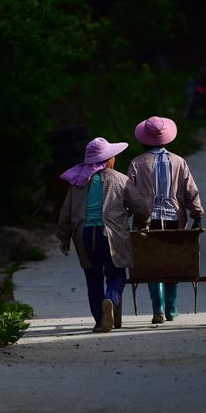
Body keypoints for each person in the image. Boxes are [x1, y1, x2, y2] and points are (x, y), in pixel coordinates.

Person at [126, 116, 204, 324]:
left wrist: (127, 213)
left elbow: (130, 194)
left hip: (147, 220)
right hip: (174, 220)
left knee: (152, 262)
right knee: (172, 260)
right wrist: (197, 213)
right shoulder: (179, 162)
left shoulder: (137, 164)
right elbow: (190, 191)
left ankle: (157, 307)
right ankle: (171, 308)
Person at [56, 137, 133, 333]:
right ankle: (111, 300)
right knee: (116, 274)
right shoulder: (120, 179)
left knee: (93, 278)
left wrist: (64, 237)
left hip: (84, 234)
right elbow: (140, 206)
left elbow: (66, 212)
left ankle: (100, 321)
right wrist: (142, 222)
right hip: (111, 235)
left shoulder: (77, 181)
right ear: (109, 160)